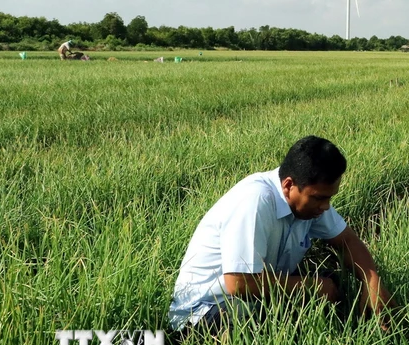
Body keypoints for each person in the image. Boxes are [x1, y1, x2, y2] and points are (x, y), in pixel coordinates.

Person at [168, 136, 394, 333]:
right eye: (319, 198)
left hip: (257, 293)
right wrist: (312, 287)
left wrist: (372, 282)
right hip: (206, 310)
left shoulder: (310, 202)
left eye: (329, 198)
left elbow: (346, 240)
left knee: (336, 282)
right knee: (257, 338)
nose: (325, 207)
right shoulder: (254, 201)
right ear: (288, 185)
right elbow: (238, 283)